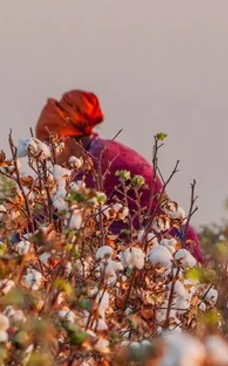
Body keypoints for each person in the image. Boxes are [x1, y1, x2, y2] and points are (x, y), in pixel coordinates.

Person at [33, 90, 204, 262]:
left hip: (170, 255)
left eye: (49, 144)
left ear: (65, 139)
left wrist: (15, 242)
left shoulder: (98, 161)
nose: (47, 155)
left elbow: (57, 213)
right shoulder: (100, 151)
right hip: (158, 252)